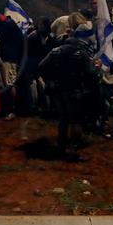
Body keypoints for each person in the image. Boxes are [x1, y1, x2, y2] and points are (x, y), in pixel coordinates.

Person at [39, 23, 100, 160]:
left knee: (63, 120)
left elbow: (41, 66)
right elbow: (91, 74)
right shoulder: (81, 54)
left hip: (57, 90)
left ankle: (60, 149)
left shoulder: (55, 51)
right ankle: (73, 150)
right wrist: (97, 68)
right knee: (75, 120)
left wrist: (50, 79)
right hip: (74, 91)